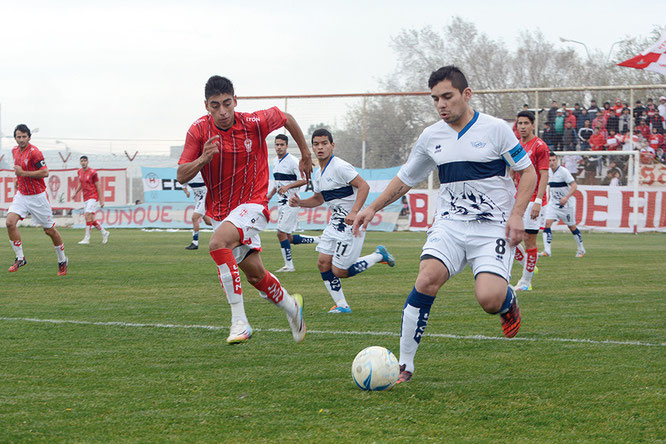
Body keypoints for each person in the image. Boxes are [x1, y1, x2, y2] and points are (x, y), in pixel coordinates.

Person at [353, 66, 537, 383]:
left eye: (447, 97)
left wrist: (517, 214)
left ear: (466, 95)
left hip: (492, 227)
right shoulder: (431, 136)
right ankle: (405, 366)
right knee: (426, 279)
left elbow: (528, 172)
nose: (441, 104)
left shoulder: (496, 130)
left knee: (489, 299)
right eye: (435, 98)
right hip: (449, 225)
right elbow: (407, 178)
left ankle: (508, 302)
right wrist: (372, 207)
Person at [176, 75, 310, 344]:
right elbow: (181, 175)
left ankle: (240, 321)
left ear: (236, 101)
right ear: (207, 106)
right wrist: (203, 158)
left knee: (217, 243)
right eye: (216, 106)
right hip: (222, 213)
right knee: (255, 275)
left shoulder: (253, 122)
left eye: (227, 103)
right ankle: (292, 307)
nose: (223, 111)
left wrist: (305, 154)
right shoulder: (198, 131)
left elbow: (287, 118)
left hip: (254, 203)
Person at [290, 129, 395, 313]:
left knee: (340, 271)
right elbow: (319, 199)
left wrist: (355, 212)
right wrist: (300, 203)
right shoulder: (318, 174)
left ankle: (378, 256)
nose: (320, 147)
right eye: (316, 144)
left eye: (324, 143)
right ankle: (342, 305)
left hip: (352, 224)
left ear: (332, 145)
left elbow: (364, 186)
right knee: (323, 263)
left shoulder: (340, 166)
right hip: (335, 223)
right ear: (312, 147)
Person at [6, 124, 68, 275]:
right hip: (22, 195)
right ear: (15, 138)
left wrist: (24, 174)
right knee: (9, 222)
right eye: (18, 137)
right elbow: (19, 171)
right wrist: (18, 179)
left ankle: (62, 259)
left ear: (29, 137)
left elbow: (45, 172)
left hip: (37, 197)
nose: (21, 140)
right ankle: (20, 258)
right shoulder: (14, 151)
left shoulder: (35, 153)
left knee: (49, 231)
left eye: (24, 137)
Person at [266, 134, 319, 272]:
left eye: (281, 144)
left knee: (280, 233)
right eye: (277, 144)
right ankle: (318, 240)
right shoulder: (275, 161)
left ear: (286, 146)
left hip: (291, 202)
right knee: (288, 237)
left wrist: (288, 187)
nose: (279, 147)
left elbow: (305, 180)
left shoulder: (293, 161)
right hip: (281, 202)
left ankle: (289, 266)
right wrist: (270, 195)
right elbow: (278, 183)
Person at [512, 111, 550, 292]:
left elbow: (544, 175)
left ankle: (526, 282)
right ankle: (529, 265)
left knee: (529, 240)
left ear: (533, 125)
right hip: (519, 198)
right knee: (508, 236)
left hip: (533, 199)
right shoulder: (517, 145)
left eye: (526, 123)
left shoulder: (540, 146)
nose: (523, 126)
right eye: (520, 123)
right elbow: (513, 172)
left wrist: (539, 200)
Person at [541, 152, 585, 258]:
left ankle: (581, 249)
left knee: (572, 227)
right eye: (549, 160)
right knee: (547, 224)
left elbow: (574, 186)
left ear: (557, 160)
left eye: (553, 160)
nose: (551, 162)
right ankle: (547, 251)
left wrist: (566, 197)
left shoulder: (564, 172)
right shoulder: (547, 172)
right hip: (553, 204)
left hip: (566, 206)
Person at [73, 155, 110, 245]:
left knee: (86, 215)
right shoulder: (79, 172)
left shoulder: (93, 172)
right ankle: (104, 233)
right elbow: (81, 184)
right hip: (85, 197)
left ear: (88, 162)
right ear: (80, 162)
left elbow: (98, 186)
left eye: (85, 161)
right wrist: (75, 193)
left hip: (93, 197)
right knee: (92, 219)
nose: (83, 162)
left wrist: (101, 201)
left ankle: (87, 238)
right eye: (82, 161)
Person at [182, 171, 212, 250]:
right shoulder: (187, 175)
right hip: (198, 199)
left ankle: (195, 242)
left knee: (194, 218)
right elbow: (183, 185)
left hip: (204, 198)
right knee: (208, 222)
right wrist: (187, 192)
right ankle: (223, 228)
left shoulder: (201, 173)